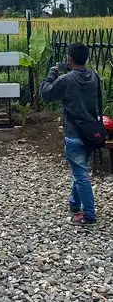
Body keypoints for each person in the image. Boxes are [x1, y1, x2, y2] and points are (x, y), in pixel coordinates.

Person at [40, 42, 101, 227]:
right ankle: (74, 204)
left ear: (70, 59)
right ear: (87, 58)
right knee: (80, 169)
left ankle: (89, 215)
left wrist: (52, 73)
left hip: (74, 132)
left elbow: (46, 93)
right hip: (91, 132)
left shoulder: (66, 80)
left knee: (81, 174)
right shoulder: (95, 77)